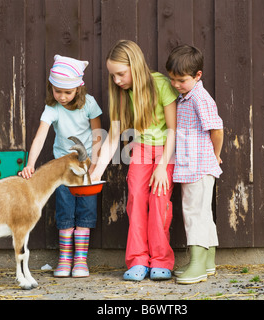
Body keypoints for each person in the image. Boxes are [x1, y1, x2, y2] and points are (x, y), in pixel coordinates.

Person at [90, 40, 178, 281]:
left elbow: (172, 130)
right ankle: (138, 260)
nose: (117, 80)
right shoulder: (121, 93)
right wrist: (97, 172)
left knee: (159, 202)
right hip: (139, 149)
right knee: (136, 201)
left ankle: (161, 260)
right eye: (113, 76)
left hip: (164, 151)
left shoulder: (161, 84)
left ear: (135, 66)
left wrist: (162, 167)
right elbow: (114, 136)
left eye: (121, 74)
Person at [19, 55, 102, 278]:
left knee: (86, 211)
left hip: (86, 170)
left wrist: (95, 166)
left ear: (78, 89)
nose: (62, 97)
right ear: (51, 88)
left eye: (68, 92)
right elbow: (40, 137)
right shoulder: (52, 108)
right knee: (65, 211)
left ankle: (81, 260)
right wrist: (30, 164)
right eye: (57, 91)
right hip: (62, 172)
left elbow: (97, 135)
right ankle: (65, 259)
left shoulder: (89, 104)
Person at [166, 45, 224, 285]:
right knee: (203, 213)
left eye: (181, 80)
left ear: (197, 76)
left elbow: (217, 130)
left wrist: (215, 154)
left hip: (199, 166)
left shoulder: (200, 97)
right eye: (172, 80)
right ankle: (208, 263)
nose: (176, 84)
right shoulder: (186, 96)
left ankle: (198, 264)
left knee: (194, 214)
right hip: (193, 165)